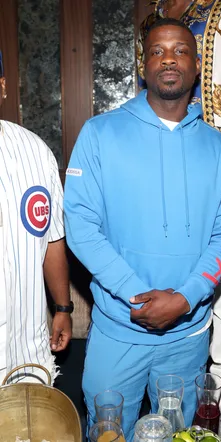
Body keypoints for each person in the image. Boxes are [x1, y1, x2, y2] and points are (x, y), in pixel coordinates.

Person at [64, 19, 221, 441]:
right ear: (143, 64)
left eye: (180, 50)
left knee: (178, 434)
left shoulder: (220, 149)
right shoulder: (99, 134)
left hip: (188, 334)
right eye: (158, 51)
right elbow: (81, 225)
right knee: (108, 433)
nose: (169, 59)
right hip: (118, 328)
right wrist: (135, 292)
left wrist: (184, 298)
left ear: (196, 65)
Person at [137, 0, 221, 411]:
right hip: (163, 169)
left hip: (220, 169)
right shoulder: (155, 15)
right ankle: (168, 407)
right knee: (169, 274)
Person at [0, 50, 72, 385]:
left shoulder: (34, 151)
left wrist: (63, 307)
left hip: (26, 351)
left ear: (2, 86)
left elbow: (53, 239)